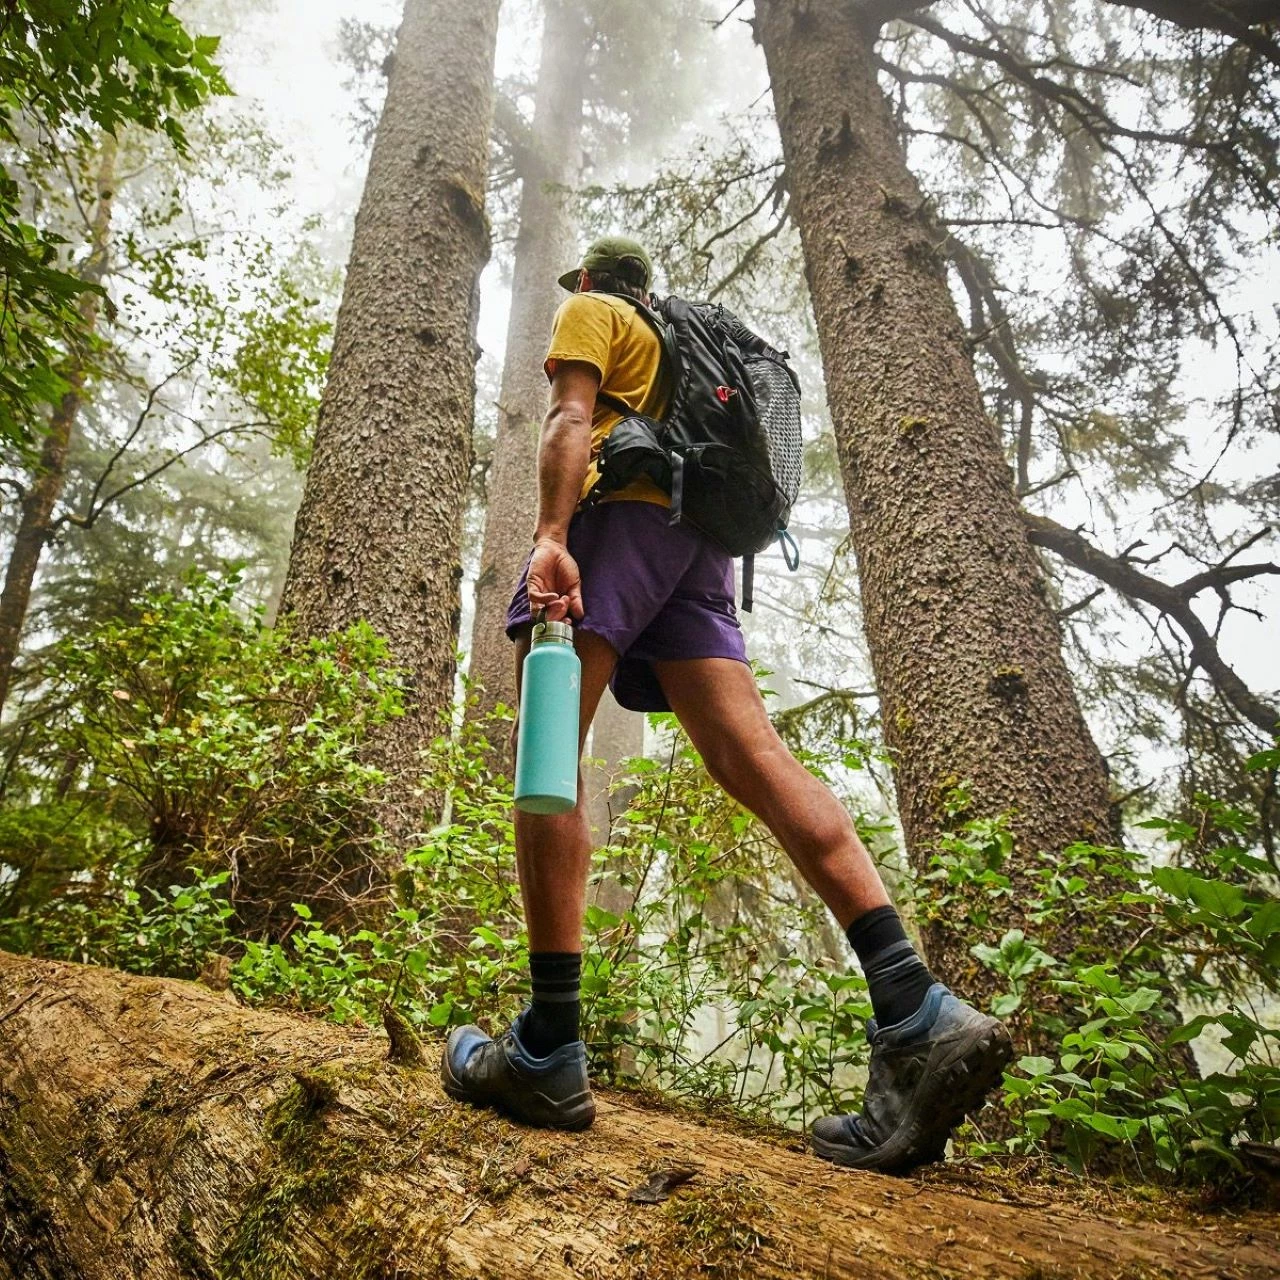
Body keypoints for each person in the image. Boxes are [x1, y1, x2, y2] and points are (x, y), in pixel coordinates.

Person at [442, 235, 1012, 1172]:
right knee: (757, 761)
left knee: (548, 754)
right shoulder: (680, 349)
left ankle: (547, 1045)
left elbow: (567, 421)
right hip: (701, 554)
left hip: (620, 526)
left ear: (591, 285)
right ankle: (915, 1008)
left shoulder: (596, 315)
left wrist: (551, 533)